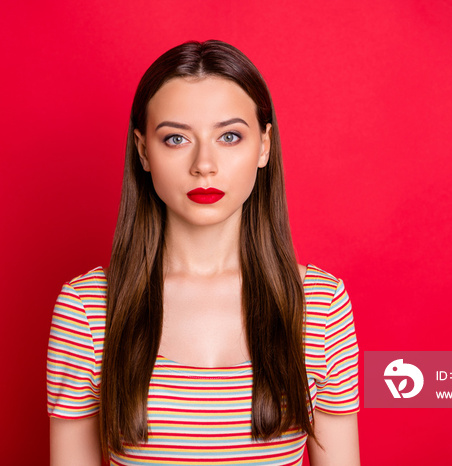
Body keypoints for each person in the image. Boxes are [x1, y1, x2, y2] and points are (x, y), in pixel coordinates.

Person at [46, 40, 360, 465]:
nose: (204, 164)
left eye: (229, 136)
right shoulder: (88, 309)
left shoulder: (321, 305)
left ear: (264, 146)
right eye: (176, 138)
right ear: (143, 151)